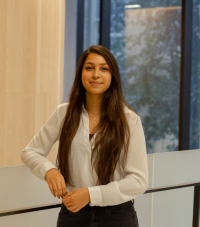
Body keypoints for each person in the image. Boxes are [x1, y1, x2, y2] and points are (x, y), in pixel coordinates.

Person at [21, 45, 148, 227]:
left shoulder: (129, 120)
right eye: (89, 68)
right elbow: (30, 152)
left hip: (117, 216)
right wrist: (49, 170)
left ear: (113, 77)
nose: (96, 74)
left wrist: (90, 195)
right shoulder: (63, 113)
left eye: (104, 69)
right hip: (73, 214)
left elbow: (138, 181)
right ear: (81, 74)